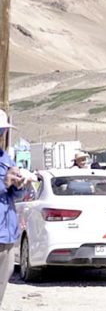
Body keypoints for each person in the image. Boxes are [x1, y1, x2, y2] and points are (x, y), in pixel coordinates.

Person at [0, 111, 24, 305]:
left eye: (2, 131)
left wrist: (18, 185)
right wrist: (4, 184)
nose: (1, 135)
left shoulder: (6, 158)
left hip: (7, 233)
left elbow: (16, 196)